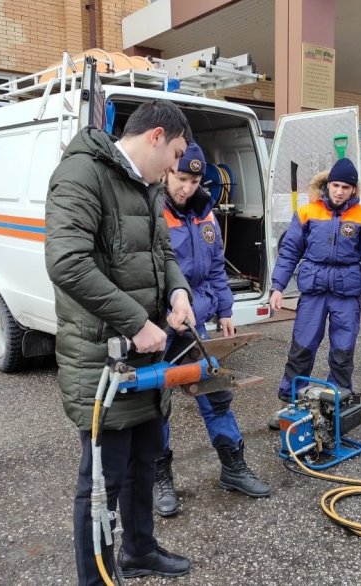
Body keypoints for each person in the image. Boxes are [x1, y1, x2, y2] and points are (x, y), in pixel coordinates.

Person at [45, 100, 196, 584]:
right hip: (102, 358)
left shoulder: (146, 185)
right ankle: (95, 578)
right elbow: (67, 262)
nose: (175, 168)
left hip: (146, 359)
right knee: (101, 481)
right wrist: (135, 322)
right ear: (155, 136)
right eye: (174, 153)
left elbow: (162, 250)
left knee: (143, 462)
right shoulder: (82, 174)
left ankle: (139, 551)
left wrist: (178, 292)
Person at [153, 143, 270, 517]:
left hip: (198, 322)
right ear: (167, 172)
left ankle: (233, 468)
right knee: (157, 403)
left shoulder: (205, 215)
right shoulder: (152, 211)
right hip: (161, 324)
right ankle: (159, 478)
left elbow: (217, 267)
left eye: (193, 180)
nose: (186, 188)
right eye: (180, 178)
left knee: (216, 392)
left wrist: (225, 309)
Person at [268, 158, 361, 427]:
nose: (339, 191)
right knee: (301, 348)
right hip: (313, 291)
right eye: (335, 185)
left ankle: (335, 406)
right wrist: (277, 286)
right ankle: (292, 406)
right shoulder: (307, 213)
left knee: (343, 352)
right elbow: (289, 252)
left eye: (346, 187)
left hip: (346, 294)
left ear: (354, 190)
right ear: (327, 184)